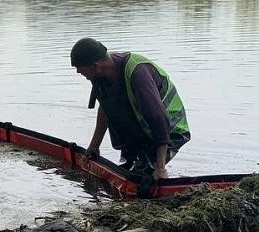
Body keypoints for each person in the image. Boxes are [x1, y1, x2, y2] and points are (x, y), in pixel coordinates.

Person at [70, 37, 190, 182]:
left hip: (170, 128)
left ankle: (154, 167)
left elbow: (158, 119)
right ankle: (136, 160)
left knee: (141, 177)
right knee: (127, 172)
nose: (80, 74)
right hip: (142, 129)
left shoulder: (138, 73)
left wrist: (160, 168)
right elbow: (105, 108)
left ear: (95, 66)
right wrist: (94, 146)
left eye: (82, 72)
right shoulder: (100, 75)